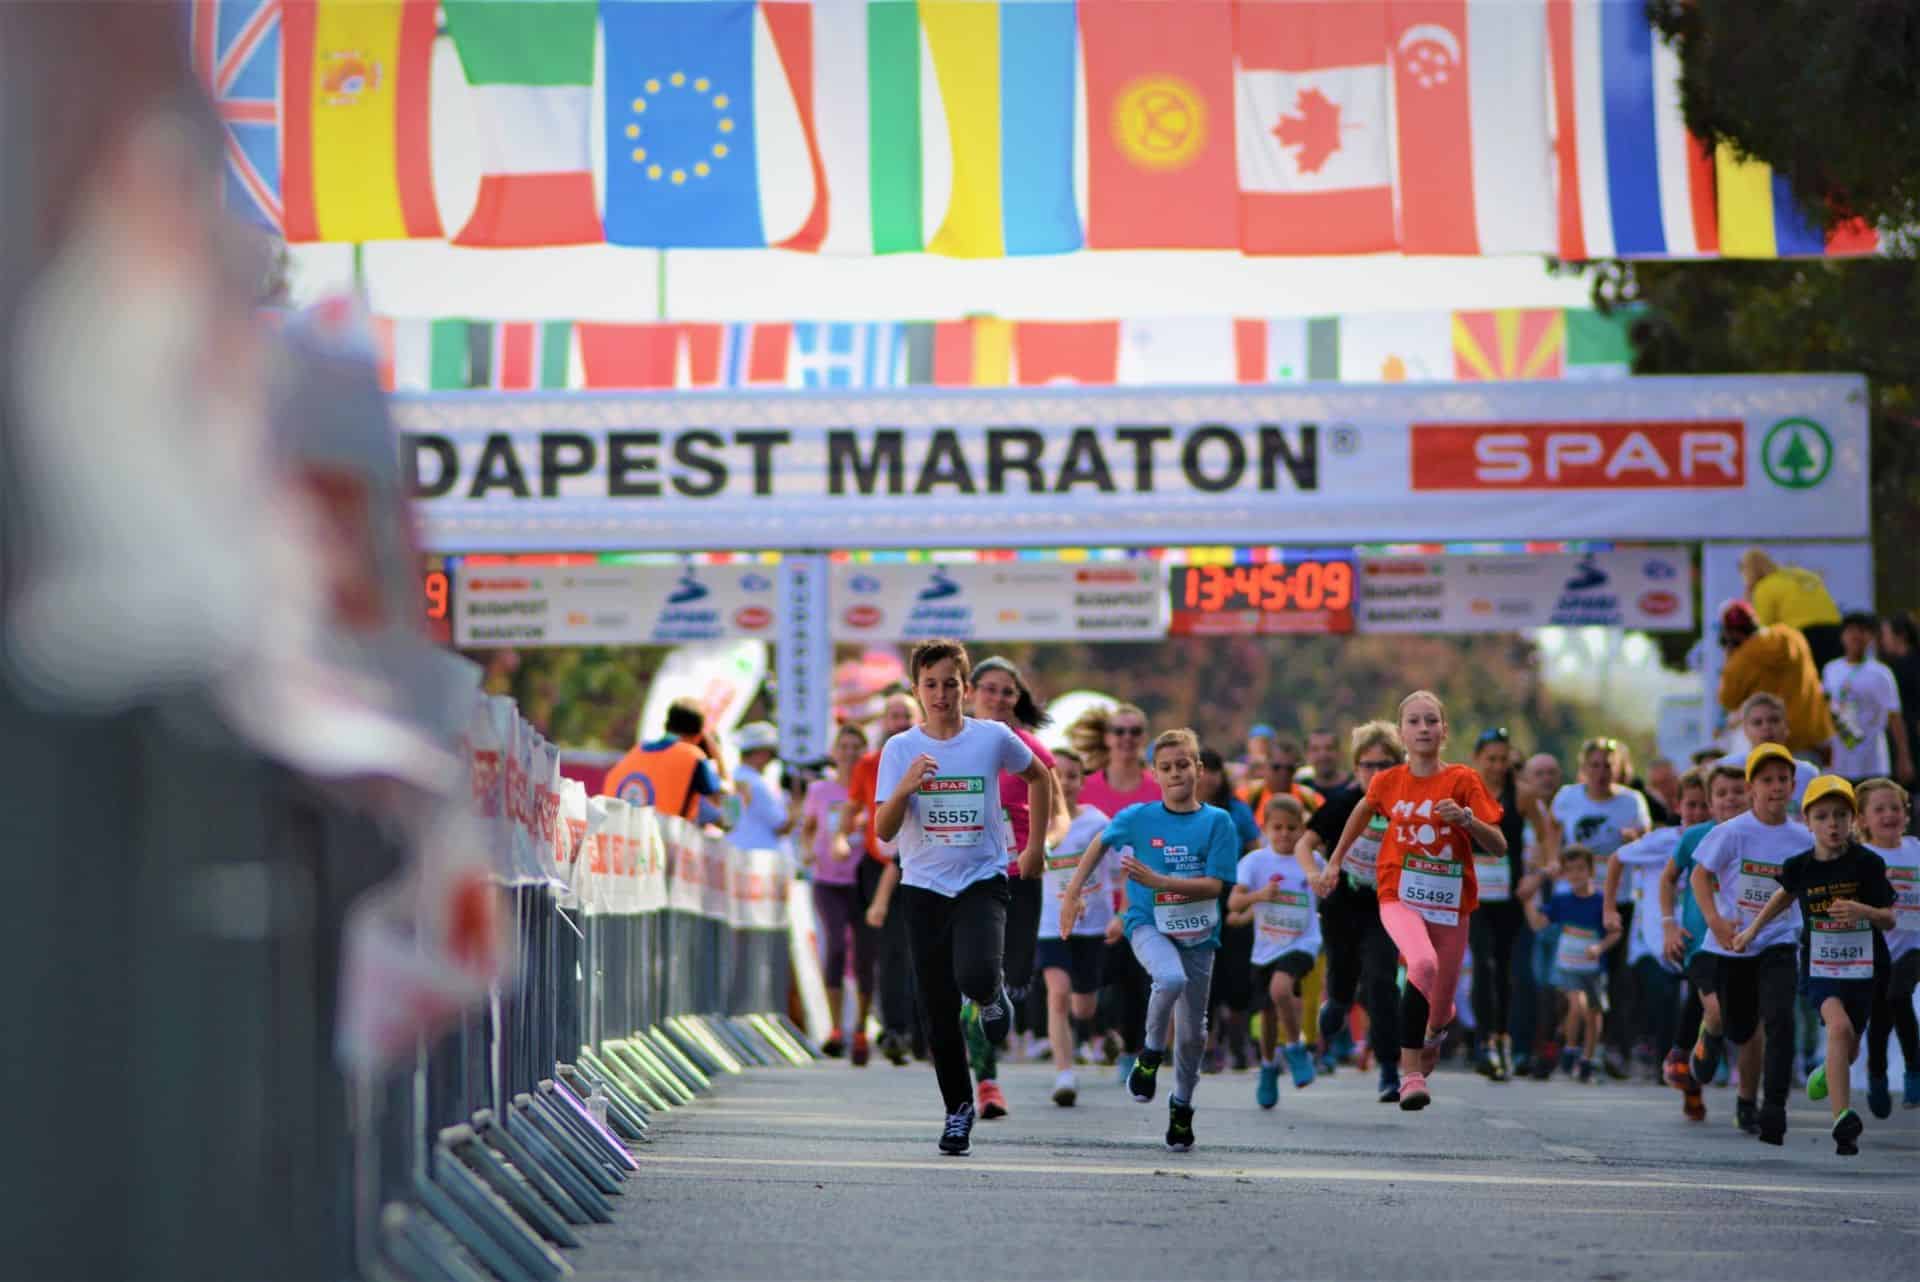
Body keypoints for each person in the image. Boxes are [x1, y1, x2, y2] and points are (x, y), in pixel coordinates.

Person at [874, 640, 1053, 1156]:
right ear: (916, 690)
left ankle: (991, 996)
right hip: (923, 888)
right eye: (930, 684)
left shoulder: (991, 738)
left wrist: (1034, 847)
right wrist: (906, 787)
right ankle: (958, 1109)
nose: (941, 694)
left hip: (981, 879)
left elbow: (1040, 776)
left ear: (966, 688)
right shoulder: (900, 749)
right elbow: (884, 830)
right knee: (937, 1008)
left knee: (975, 974)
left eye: (950, 683)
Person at [1320, 691, 1506, 1111]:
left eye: (1431, 721)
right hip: (1398, 894)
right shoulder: (1388, 782)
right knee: (1421, 964)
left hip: (1451, 903)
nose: (1424, 728)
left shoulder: (1463, 780)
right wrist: (1335, 861)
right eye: (1414, 722)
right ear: (1402, 733)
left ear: (1445, 731)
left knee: (1439, 1007)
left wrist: (1467, 820)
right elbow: (1361, 812)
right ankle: (1410, 1076)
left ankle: (1435, 1031)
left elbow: (1499, 845)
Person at [1058, 729, 1241, 1152]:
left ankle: (1182, 1105)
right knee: (1169, 979)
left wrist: (1161, 881)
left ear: (1198, 769)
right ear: (1154, 774)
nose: (1175, 773)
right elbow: (1100, 843)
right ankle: (1150, 1054)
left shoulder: (1218, 822)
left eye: (1183, 765)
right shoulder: (1138, 817)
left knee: (1193, 1034)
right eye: (1166, 767)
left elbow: (1215, 886)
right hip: (1147, 924)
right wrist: (1072, 892)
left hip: (1199, 934)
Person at [1733, 776, 1897, 1154]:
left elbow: (1889, 918)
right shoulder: (1801, 866)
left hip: (1865, 969)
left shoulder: (1868, 864)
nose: (1832, 824)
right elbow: (1782, 897)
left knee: (1848, 1047)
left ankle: (1828, 1070)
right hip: (1821, 967)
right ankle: (1843, 1120)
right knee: (1838, 1027)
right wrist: (1751, 931)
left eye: (1840, 815)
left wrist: (1862, 911)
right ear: (1807, 822)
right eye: (1822, 816)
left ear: (1853, 820)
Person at [1688, 744, 1809, 1145]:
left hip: (1778, 941)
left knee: (1775, 1020)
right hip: (1733, 943)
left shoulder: (1802, 837)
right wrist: (1715, 920)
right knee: (1737, 1026)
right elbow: (1699, 876)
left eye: (1783, 780)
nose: (1776, 787)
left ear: (1793, 785)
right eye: (1766, 780)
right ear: (1752, 787)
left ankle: (1762, 1104)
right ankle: (1711, 1032)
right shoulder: (1734, 831)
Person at [964, 656, 1062, 1120]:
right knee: (976, 982)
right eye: (990, 688)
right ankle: (987, 1083)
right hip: (967, 877)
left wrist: (1040, 847)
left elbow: (1059, 815)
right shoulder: (952, 745)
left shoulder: (1031, 750)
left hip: (1019, 874)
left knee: (1014, 980)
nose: (999, 698)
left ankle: (996, 1012)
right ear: (970, 692)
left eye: (1008, 691)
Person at [1295, 721, 1408, 1101]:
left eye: (1384, 765)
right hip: (1342, 905)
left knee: (1381, 982)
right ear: (1356, 767)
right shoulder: (1343, 803)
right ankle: (1338, 1004)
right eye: (1367, 765)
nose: (1375, 773)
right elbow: (1305, 843)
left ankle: (1389, 1069)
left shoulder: (1406, 805)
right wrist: (1314, 873)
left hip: (1385, 906)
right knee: (1343, 978)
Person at [1551, 738, 1651, 1077]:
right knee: (1571, 978)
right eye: (1594, 765)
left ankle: (1612, 1050)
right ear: (1584, 768)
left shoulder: (1631, 801)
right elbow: (1552, 832)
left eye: (1608, 765)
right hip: (1577, 899)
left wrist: (1634, 837)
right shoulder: (1568, 797)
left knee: (1616, 978)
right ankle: (1570, 1045)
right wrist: (1553, 862)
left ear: (1620, 768)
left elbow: (1645, 837)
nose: (1601, 772)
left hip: (1619, 898)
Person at [1071, 702, 1160, 1086]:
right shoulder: (1087, 788)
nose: (1126, 738)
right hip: (1092, 902)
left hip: (1141, 898)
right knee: (1090, 982)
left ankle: (1129, 1049)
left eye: (1134, 732)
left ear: (1143, 739)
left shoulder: (1155, 789)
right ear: (1107, 738)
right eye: (1119, 731)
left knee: (1134, 978)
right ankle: (1099, 1032)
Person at [1604, 769, 1710, 1085]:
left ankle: (1693, 1060)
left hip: (1700, 936)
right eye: (1691, 805)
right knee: (1663, 999)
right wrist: (1609, 907)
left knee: (1700, 1001)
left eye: (1704, 805)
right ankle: (1663, 1061)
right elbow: (1617, 859)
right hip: (1658, 939)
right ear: (1677, 806)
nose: (1697, 812)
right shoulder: (1663, 841)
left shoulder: (1719, 839)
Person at [1661, 762, 1751, 1123]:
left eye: (1738, 792)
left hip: (1743, 943)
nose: (1730, 799)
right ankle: (1691, 1068)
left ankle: (1696, 1059)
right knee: (1710, 1007)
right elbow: (1668, 879)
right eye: (1722, 794)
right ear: (1712, 803)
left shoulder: (1759, 836)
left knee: (1729, 1016)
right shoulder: (1695, 836)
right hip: (1700, 942)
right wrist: (1669, 925)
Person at [1469, 727, 1557, 1082]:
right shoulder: (1465, 791)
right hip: (1474, 895)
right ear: (1477, 759)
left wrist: (1538, 876)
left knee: (1505, 969)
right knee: (1483, 965)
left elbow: (1548, 839)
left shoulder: (1522, 794)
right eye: (1490, 759)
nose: (1496, 766)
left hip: (1509, 895)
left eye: (1503, 759)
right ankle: (1485, 1042)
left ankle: (1503, 1039)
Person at [1229, 796, 1321, 1108]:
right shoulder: (1255, 862)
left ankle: (1295, 1047)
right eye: (1277, 827)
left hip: (1303, 942)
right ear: (1265, 828)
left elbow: (1327, 888)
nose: (1284, 834)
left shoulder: (1311, 860)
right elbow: (1234, 903)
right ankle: (1268, 1068)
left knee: (1280, 989)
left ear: (1303, 829)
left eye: (1292, 828)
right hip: (1266, 948)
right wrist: (1259, 895)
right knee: (1267, 1015)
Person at [847, 692, 922, 1065]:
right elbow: (853, 808)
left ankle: (926, 1034)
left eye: (906, 714)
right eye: (894, 715)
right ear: (884, 722)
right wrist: (840, 835)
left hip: (923, 860)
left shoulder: (931, 757)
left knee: (923, 948)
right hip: (880, 866)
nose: (900, 721)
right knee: (891, 951)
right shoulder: (868, 764)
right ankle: (895, 1030)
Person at [1035, 749, 1110, 1107]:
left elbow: (1125, 867)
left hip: (1091, 925)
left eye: (1072, 776)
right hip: (1050, 924)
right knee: (1058, 994)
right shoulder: (1036, 821)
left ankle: (1097, 1032)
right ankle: (1064, 1073)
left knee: (1084, 1007)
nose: (1064, 783)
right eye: (1057, 775)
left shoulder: (1097, 823)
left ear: (1082, 781)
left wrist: (1122, 913)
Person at [800, 723, 876, 1063]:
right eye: (843, 747)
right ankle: (834, 1029)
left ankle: (860, 1027)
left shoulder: (874, 786)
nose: (849, 753)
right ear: (834, 752)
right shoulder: (820, 790)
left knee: (864, 955)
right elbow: (808, 829)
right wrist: (807, 851)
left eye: (855, 747)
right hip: (828, 880)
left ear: (864, 751)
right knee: (834, 946)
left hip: (864, 880)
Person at [1523, 847, 1618, 1082]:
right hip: (1568, 967)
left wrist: (1600, 948)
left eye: (1581, 869)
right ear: (1564, 874)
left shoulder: (1602, 902)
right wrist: (1527, 900)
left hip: (1594, 969)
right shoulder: (1561, 901)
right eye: (1570, 870)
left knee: (1594, 1013)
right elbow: (1537, 924)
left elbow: (1615, 932)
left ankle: (1587, 1059)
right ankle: (1570, 1048)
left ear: (1591, 871)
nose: (1576, 875)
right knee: (1576, 1004)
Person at [1857, 779, 1920, 1115]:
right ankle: (1877, 1077)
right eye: (1879, 809)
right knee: (1879, 1021)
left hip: (1914, 946)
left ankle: (1914, 1071)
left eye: (1895, 808)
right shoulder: (1863, 858)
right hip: (1877, 950)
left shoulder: (1915, 849)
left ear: (1906, 814)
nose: (1888, 815)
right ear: (1862, 820)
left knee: (1899, 995)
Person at [1200, 747, 1261, 1073]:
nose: (1208, 777)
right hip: (1197, 896)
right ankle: (1208, 1047)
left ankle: (1238, 1041)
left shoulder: (1237, 809)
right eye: (1202, 769)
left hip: (1234, 894)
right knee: (1206, 973)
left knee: (1238, 975)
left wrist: (1251, 892)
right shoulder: (1183, 808)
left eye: (1214, 770)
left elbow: (1254, 850)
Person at [1716, 599, 1836, 758]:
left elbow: (1727, 700)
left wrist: (1729, 657)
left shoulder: (1739, 660)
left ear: (1732, 633)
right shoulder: (1792, 636)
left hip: (1770, 743)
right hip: (1813, 736)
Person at [1823, 612, 1914, 785]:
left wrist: (1904, 756)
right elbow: (1825, 709)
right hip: (1840, 761)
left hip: (1873, 761)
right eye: (1851, 631)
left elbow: (1894, 717)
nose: (1856, 636)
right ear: (1842, 636)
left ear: (1871, 637)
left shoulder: (1881, 673)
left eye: (1862, 631)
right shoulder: (1831, 669)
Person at [601, 697, 728, 819]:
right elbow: (726, 801)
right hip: (662, 833)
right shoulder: (692, 758)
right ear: (698, 736)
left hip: (615, 831)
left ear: (665, 725)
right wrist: (717, 754)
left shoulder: (635, 752)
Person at [1740, 548, 1844, 672]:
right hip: (1836, 631)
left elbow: (1764, 630)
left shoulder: (1764, 587)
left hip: (1805, 636)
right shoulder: (1801, 574)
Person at [728, 721, 794, 851]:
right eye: (770, 753)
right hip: (760, 856)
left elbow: (729, 820)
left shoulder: (732, 780)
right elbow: (781, 826)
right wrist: (797, 808)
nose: (770, 759)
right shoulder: (757, 784)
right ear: (760, 753)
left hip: (736, 852)